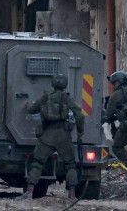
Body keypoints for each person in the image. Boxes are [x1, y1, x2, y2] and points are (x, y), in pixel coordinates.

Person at [16, 73, 85, 201]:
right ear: (65, 85)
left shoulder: (46, 97)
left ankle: (29, 192)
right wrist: (80, 131)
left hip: (47, 135)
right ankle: (72, 194)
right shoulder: (67, 99)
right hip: (63, 135)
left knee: (37, 162)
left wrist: (27, 106)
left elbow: (32, 110)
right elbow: (80, 115)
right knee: (70, 164)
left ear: (53, 84)